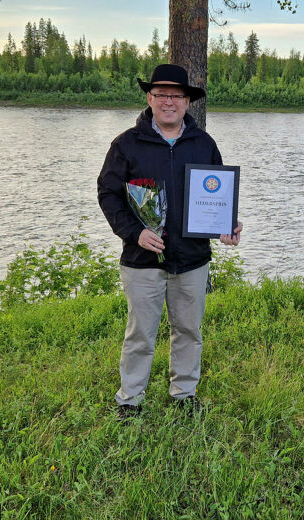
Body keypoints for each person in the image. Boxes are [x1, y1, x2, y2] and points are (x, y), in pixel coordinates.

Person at [97, 64, 243, 419]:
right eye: (161, 94)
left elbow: (217, 196)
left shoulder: (204, 144)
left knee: (189, 331)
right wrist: (134, 233)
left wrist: (227, 225)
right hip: (142, 260)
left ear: (187, 102)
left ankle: (184, 394)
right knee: (140, 335)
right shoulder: (126, 144)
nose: (168, 102)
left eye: (176, 95)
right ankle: (130, 400)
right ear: (149, 98)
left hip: (192, 259)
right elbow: (108, 194)